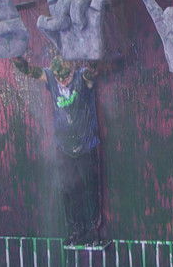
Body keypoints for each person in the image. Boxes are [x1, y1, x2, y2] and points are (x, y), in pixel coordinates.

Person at [11, 55, 105, 246]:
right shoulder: (50, 77)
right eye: (58, 77)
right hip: (64, 147)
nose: (62, 81)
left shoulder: (81, 77)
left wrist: (92, 60)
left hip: (86, 145)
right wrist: (18, 60)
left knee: (89, 189)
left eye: (66, 77)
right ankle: (76, 230)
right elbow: (30, 71)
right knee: (68, 190)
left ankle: (92, 231)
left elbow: (92, 73)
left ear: (72, 70)